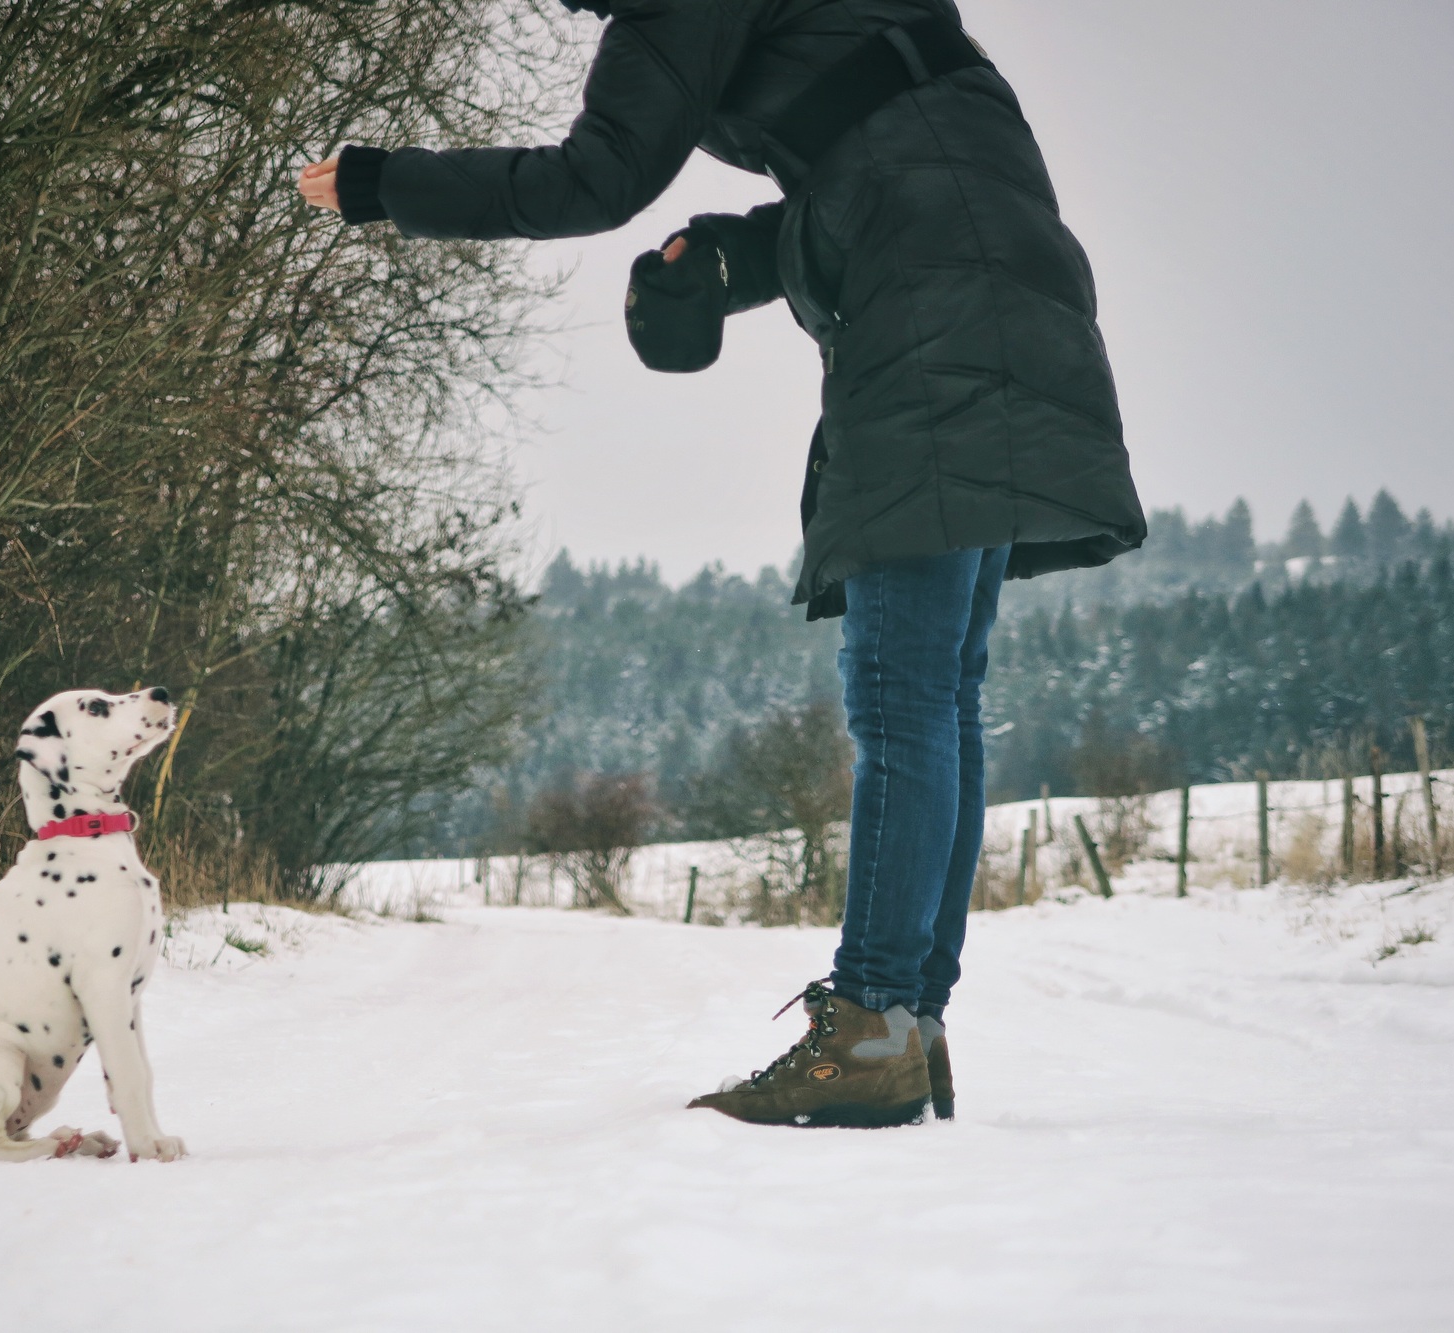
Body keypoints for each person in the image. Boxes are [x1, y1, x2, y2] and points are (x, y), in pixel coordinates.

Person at [297, 0, 1145, 1128]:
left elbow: (588, 180)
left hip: (925, 315)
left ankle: (872, 1025)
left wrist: (378, 183)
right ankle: (911, 1021)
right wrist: (728, 258)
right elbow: (884, 148)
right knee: (939, 691)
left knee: (901, 695)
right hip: (1017, 287)